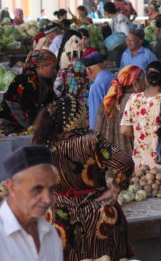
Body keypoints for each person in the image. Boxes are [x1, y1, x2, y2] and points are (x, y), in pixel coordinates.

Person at [31, 95, 134, 261]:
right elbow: (125, 162)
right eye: (83, 114)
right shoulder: (92, 140)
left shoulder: (43, 144)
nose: (87, 117)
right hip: (96, 214)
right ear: (76, 120)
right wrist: (116, 187)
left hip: (58, 216)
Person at [0, 146, 63, 261]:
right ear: (12, 187)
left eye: (51, 189)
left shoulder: (50, 233)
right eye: (37, 189)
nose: (47, 199)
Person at [0, 50, 56, 134]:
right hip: (9, 124)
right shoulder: (25, 80)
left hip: (27, 122)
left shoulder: (46, 81)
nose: (54, 70)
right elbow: (28, 109)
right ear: (41, 66)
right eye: (52, 67)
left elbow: (52, 101)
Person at [95, 65, 145, 155]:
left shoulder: (108, 100)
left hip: (110, 157)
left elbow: (98, 129)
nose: (146, 84)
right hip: (130, 157)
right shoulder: (135, 101)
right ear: (135, 84)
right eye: (144, 81)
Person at [83, 53, 115, 130]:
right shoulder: (116, 78)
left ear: (89, 70)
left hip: (105, 131)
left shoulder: (96, 87)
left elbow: (95, 117)